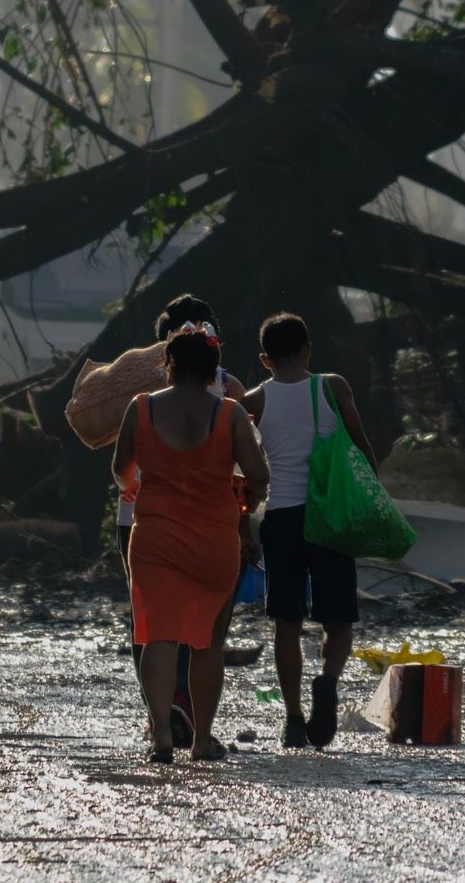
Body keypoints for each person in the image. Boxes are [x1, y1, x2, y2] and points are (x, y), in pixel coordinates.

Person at [112, 324, 270, 763]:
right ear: (212, 368)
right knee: (207, 643)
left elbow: (121, 470)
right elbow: (259, 475)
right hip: (214, 540)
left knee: (157, 634)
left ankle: (161, 735)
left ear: (169, 366)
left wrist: (149, 484)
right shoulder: (231, 414)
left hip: (155, 537)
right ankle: (202, 740)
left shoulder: (139, 409)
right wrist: (245, 497)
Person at [240, 311, 376, 750]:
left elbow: (241, 468)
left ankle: (294, 719)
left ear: (265, 359)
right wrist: (369, 502)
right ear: (307, 350)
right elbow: (361, 448)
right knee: (338, 618)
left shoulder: (254, 402)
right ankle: (329, 681)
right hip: (330, 514)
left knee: (287, 623)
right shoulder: (333, 386)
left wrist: (244, 520)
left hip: (282, 517)